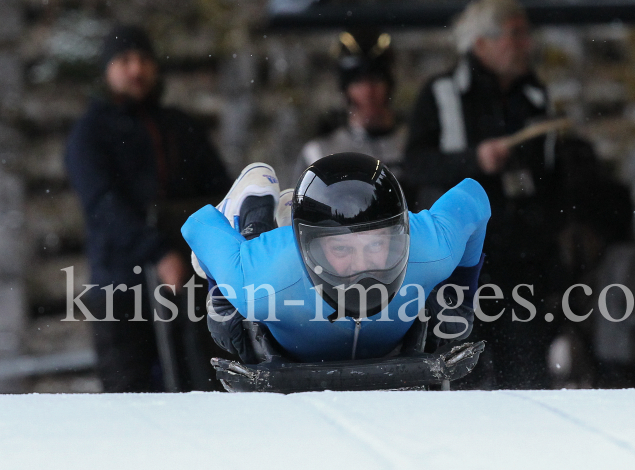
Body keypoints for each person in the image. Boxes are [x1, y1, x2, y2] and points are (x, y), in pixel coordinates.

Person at [182, 153, 488, 364]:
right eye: (342, 249)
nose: (362, 265)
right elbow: (199, 225)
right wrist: (223, 291)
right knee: (227, 325)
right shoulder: (263, 277)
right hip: (274, 267)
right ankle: (255, 203)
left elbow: (474, 196)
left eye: (376, 244)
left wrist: (459, 296)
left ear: (399, 235)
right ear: (308, 246)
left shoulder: (430, 247)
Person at [402, 0, 559, 389]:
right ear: (482, 43)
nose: (526, 44)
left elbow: (554, 180)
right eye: (515, 33)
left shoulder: (535, 96)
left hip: (524, 262)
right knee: (462, 374)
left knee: (527, 376)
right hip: (460, 270)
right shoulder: (441, 94)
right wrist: (474, 160)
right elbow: (416, 166)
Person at [65, 25, 232, 392]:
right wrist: (157, 253)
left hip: (190, 288)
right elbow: (103, 206)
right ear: (107, 70)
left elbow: (220, 193)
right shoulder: (89, 135)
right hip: (120, 289)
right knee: (132, 402)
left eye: (143, 60)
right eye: (125, 60)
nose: (136, 70)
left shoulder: (181, 127)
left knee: (202, 390)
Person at [294, 31, 408, 182]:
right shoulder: (320, 154)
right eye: (358, 81)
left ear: (389, 85)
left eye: (376, 79)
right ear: (345, 89)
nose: (368, 91)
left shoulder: (415, 144)